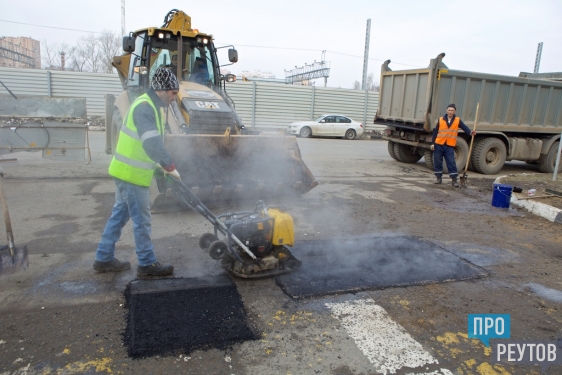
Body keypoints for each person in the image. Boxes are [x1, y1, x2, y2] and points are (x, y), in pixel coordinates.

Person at [93, 67, 181, 277]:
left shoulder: (150, 105)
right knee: (142, 221)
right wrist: (169, 165)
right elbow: (151, 143)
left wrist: (159, 169)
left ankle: (103, 258)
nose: (174, 97)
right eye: (173, 93)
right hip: (131, 176)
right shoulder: (145, 107)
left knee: (119, 216)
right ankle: (147, 263)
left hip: (125, 172)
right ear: (161, 89)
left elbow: (144, 146)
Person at [430, 103, 476, 187]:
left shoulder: (457, 120)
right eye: (449, 110)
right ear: (446, 110)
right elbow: (435, 132)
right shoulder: (440, 120)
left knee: (451, 162)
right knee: (437, 162)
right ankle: (438, 178)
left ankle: (454, 180)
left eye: (452, 110)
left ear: (454, 111)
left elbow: (464, 127)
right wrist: (432, 143)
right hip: (439, 144)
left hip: (449, 145)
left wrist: (470, 132)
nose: (450, 112)